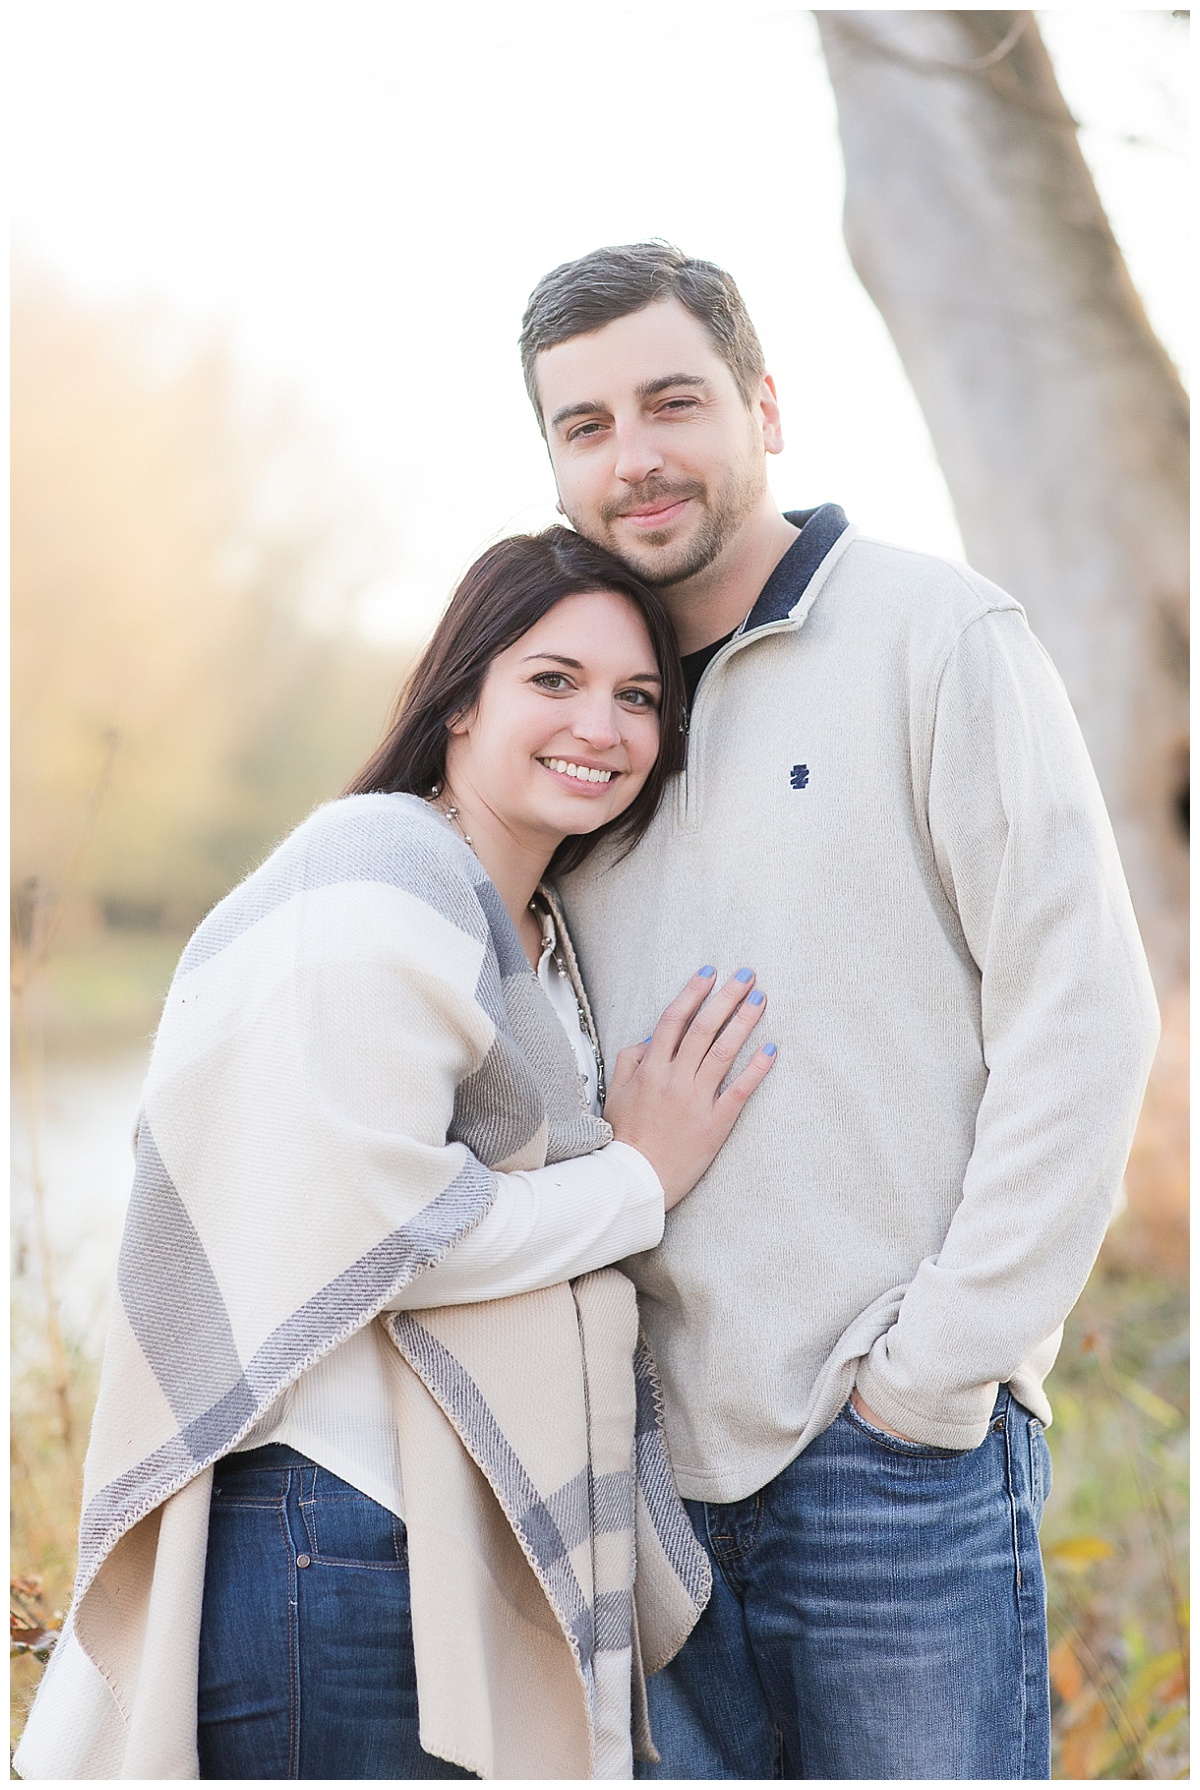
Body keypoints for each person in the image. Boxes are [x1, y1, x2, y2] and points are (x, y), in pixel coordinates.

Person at [518, 242, 1161, 1781]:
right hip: (646, 1489)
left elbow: (1085, 1019)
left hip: (894, 1469)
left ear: (764, 405)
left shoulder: (940, 639)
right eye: (585, 425)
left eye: (674, 402)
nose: (637, 455)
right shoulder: (583, 717)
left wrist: (931, 1376)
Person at [13, 527, 778, 1782]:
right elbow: (379, 1222)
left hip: (422, 1535)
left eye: (639, 697)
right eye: (555, 678)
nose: (603, 722)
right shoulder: (375, 867)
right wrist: (638, 1178)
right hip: (335, 1524)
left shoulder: (534, 930)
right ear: (462, 694)